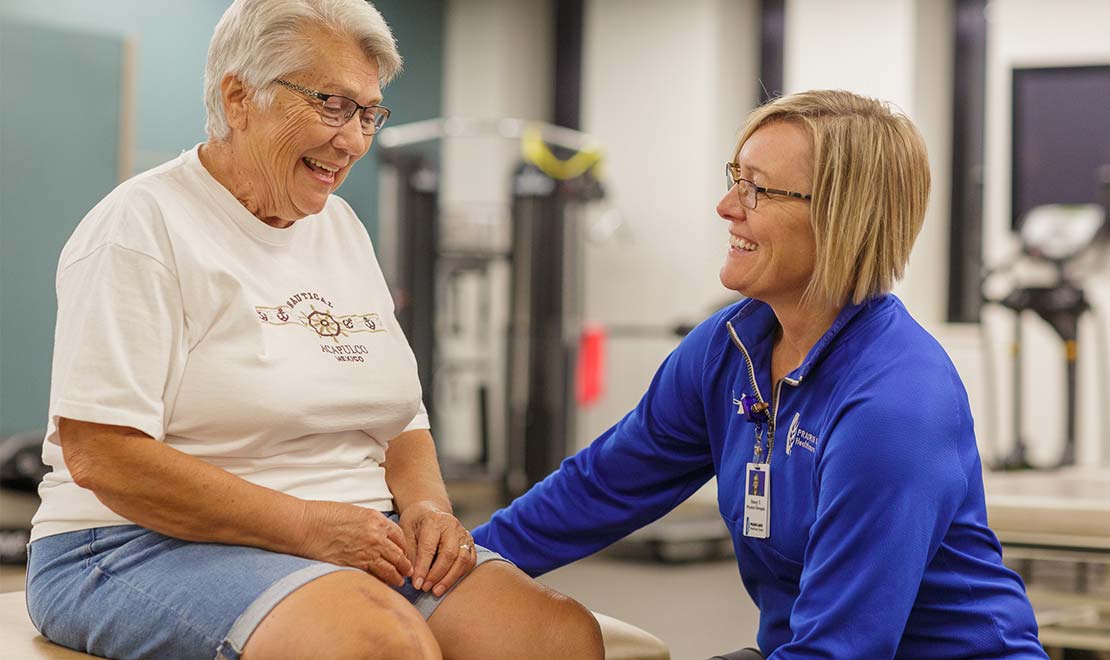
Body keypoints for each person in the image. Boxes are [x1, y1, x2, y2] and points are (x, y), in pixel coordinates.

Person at [24, 1, 604, 659]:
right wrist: (307, 527)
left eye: (366, 113)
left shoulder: (340, 227)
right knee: (381, 645)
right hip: (134, 542)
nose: (353, 139)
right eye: (330, 104)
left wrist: (429, 508)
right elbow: (104, 455)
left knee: (553, 638)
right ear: (239, 97)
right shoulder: (140, 228)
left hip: (355, 528)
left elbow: (401, 419)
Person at [473, 90, 1049, 659]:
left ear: (840, 218)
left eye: (757, 189)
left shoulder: (893, 405)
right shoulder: (727, 349)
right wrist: (451, 569)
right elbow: (598, 489)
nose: (727, 207)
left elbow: (841, 650)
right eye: (734, 177)